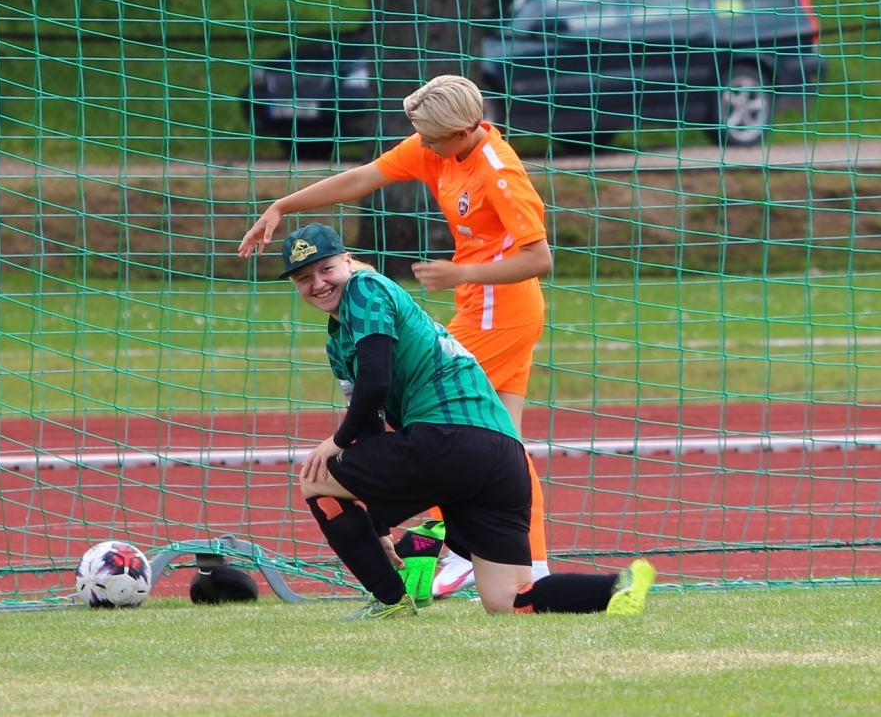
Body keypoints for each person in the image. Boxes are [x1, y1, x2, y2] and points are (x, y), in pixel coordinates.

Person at [238, 75, 552, 598]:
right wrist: (284, 206)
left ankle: (449, 545)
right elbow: (363, 177)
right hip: (480, 304)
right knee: (504, 445)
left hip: (503, 309)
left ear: (466, 129)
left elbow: (539, 257)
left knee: (443, 424)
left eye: (431, 138)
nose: (422, 146)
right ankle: (531, 569)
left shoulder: (499, 170)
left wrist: (462, 275)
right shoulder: (437, 147)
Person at [280, 222, 655, 619]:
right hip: (502, 454)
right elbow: (371, 421)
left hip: (450, 439)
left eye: (326, 269)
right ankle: (618, 586)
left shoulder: (365, 287)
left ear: (349, 261)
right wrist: (377, 529)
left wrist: (336, 443)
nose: (318, 283)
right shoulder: (339, 336)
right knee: (507, 601)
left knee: (314, 476)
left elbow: (375, 382)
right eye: (304, 278)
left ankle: (391, 601)